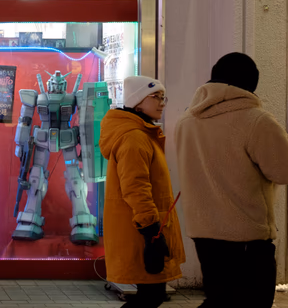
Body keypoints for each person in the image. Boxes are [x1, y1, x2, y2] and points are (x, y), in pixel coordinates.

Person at [175, 53, 288, 308]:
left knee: (220, 299)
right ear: (251, 84)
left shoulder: (187, 120)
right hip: (246, 236)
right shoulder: (256, 120)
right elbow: (282, 172)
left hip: (203, 233)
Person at [99, 76, 185, 308]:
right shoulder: (134, 138)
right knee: (151, 297)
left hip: (143, 229)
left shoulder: (141, 134)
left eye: (163, 97)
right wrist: (151, 231)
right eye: (156, 97)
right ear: (137, 103)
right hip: (140, 231)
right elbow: (135, 188)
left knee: (151, 296)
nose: (162, 103)